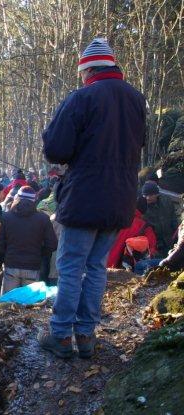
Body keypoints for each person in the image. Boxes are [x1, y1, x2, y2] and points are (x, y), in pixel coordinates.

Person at [39, 37, 146, 359]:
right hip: (121, 198)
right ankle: (86, 335)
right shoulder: (136, 99)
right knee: (97, 266)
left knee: (71, 267)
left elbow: (56, 149)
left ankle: (60, 335)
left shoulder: (82, 98)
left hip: (85, 196)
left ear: (88, 70)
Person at [0, 187, 57, 295]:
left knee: (8, 303)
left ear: (17, 198)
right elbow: (52, 244)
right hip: (33, 266)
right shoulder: (43, 219)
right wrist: (39, 254)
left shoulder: (6, 217)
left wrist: (7, 252)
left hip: (11, 265)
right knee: (28, 305)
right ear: (34, 200)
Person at [106, 200, 158, 270]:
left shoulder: (118, 217)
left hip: (102, 261)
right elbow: (151, 249)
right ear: (144, 211)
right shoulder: (145, 227)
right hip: (123, 269)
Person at [141, 181, 178, 258]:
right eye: (145, 195)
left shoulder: (166, 201)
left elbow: (173, 220)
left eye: (150, 195)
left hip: (171, 241)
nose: (148, 198)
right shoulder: (141, 207)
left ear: (157, 194)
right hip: (155, 246)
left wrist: (177, 237)